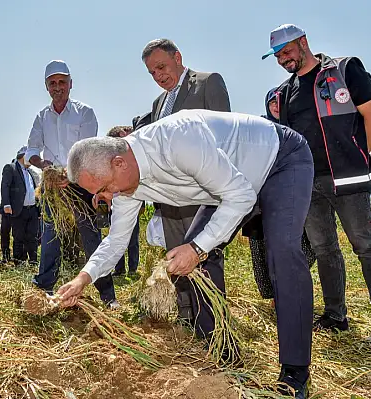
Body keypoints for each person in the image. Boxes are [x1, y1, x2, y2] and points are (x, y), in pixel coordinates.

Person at [57, 110, 315, 398]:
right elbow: (116, 241)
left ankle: (295, 372)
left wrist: (196, 249)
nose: (108, 197)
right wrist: (82, 279)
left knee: (281, 253)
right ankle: (222, 351)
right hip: (227, 187)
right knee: (195, 261)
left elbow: (241, 196)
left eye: (105, 188)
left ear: (119, 162)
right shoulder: (124, 184)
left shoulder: (179, 140)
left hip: (279, 161)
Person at [264, 24, 371, 345]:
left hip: (349, 179)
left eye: (287, 51)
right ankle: (336, 316)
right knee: (325, 250)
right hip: (306, 185)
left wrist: (357, 157)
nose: (283, 59)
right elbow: (280, 143)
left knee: (366, 246)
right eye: (277, 56)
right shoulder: (279, 95)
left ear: (303, 43)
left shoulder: (344, 69)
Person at [141, 38, 232, 321]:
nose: (158, 76)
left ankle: (215, 324)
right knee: (176, 259)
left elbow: (225, 135)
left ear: (177, 57)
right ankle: (188, 317)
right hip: (169, 199)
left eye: (161, 67)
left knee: (205, 257)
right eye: (152, 72)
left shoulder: (207, 83)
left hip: (201, 193)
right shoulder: (159, 103)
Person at [26, 60, 118, 308]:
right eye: (52, 83)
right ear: (46, 87)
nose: (58, 87)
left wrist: (70, 173)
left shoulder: (84, 113)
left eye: (62, 82)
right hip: (52, 185)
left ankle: (107, 295)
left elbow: (86, 149)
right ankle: (43, 289)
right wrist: (46, 167)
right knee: (50, 238)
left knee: (91, 238)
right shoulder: (41, 117)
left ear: (70, 84)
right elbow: (31, 151)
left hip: (79, 184)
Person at [243, 88, 317, 302]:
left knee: (299, 246)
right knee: (261, 251)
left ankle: (287, 289)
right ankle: (275, 295)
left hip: (294, 200)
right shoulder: (260, 128)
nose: (276, 105)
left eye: (280, 101)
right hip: (260, 202)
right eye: (272, 102)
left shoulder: (297, 129)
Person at [105, 126, 140, 275]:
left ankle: (132, 268)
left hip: (133, 201)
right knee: (117, 237)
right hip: (116, 203)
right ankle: (119, 269)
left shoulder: (134, 157)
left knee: (133, 239)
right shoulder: (110, 161)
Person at [1, 146, 40, 264]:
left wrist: (39, 209)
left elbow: (36, 190)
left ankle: (33, 260)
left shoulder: (32, 173)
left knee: (32, 236)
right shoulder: (11, 168)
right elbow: (5, 186)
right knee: (19, 236)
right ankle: (19, 260)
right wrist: (6, 204)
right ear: (24, 156)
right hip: (18, 209)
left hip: (32, 209)